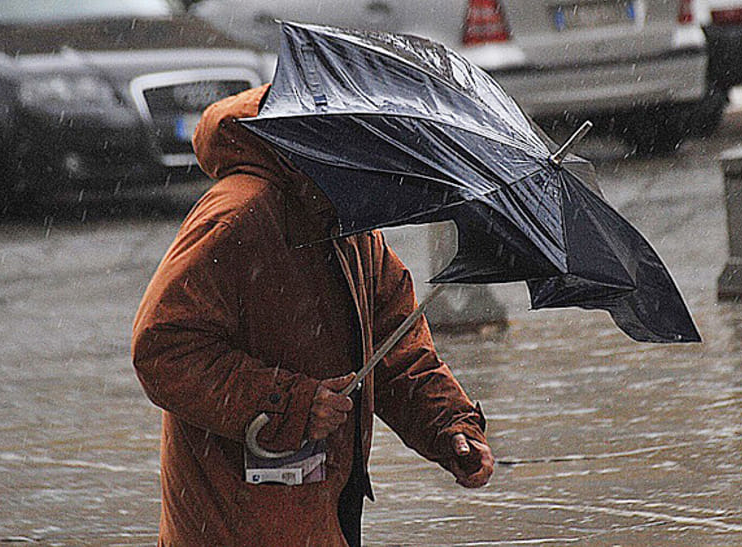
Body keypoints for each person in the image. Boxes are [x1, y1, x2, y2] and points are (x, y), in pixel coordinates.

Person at [131, 85, 494, 546]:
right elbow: (163, 348)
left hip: (324, 501)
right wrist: (289, 403)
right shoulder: (236, 217)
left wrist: (449, 427)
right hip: (237, 516)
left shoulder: (350, 223)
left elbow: (398, 352)